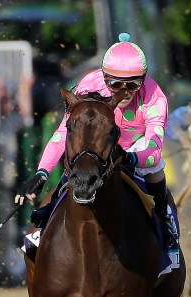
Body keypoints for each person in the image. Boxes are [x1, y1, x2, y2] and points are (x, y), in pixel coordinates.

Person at [15, 33, 177, 247]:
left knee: (154, 168)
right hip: (98, 143)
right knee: (79, 158)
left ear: (143, 79)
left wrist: (128, 158)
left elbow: (154, 151)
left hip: (135, 147)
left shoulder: (155, 97)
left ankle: (164, 219)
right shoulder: (89, 84)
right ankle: (46, 218)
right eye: (115, 84)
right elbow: (64, 132)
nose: (125, 92)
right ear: (104, 77)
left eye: (133, 85)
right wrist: (42, 172)